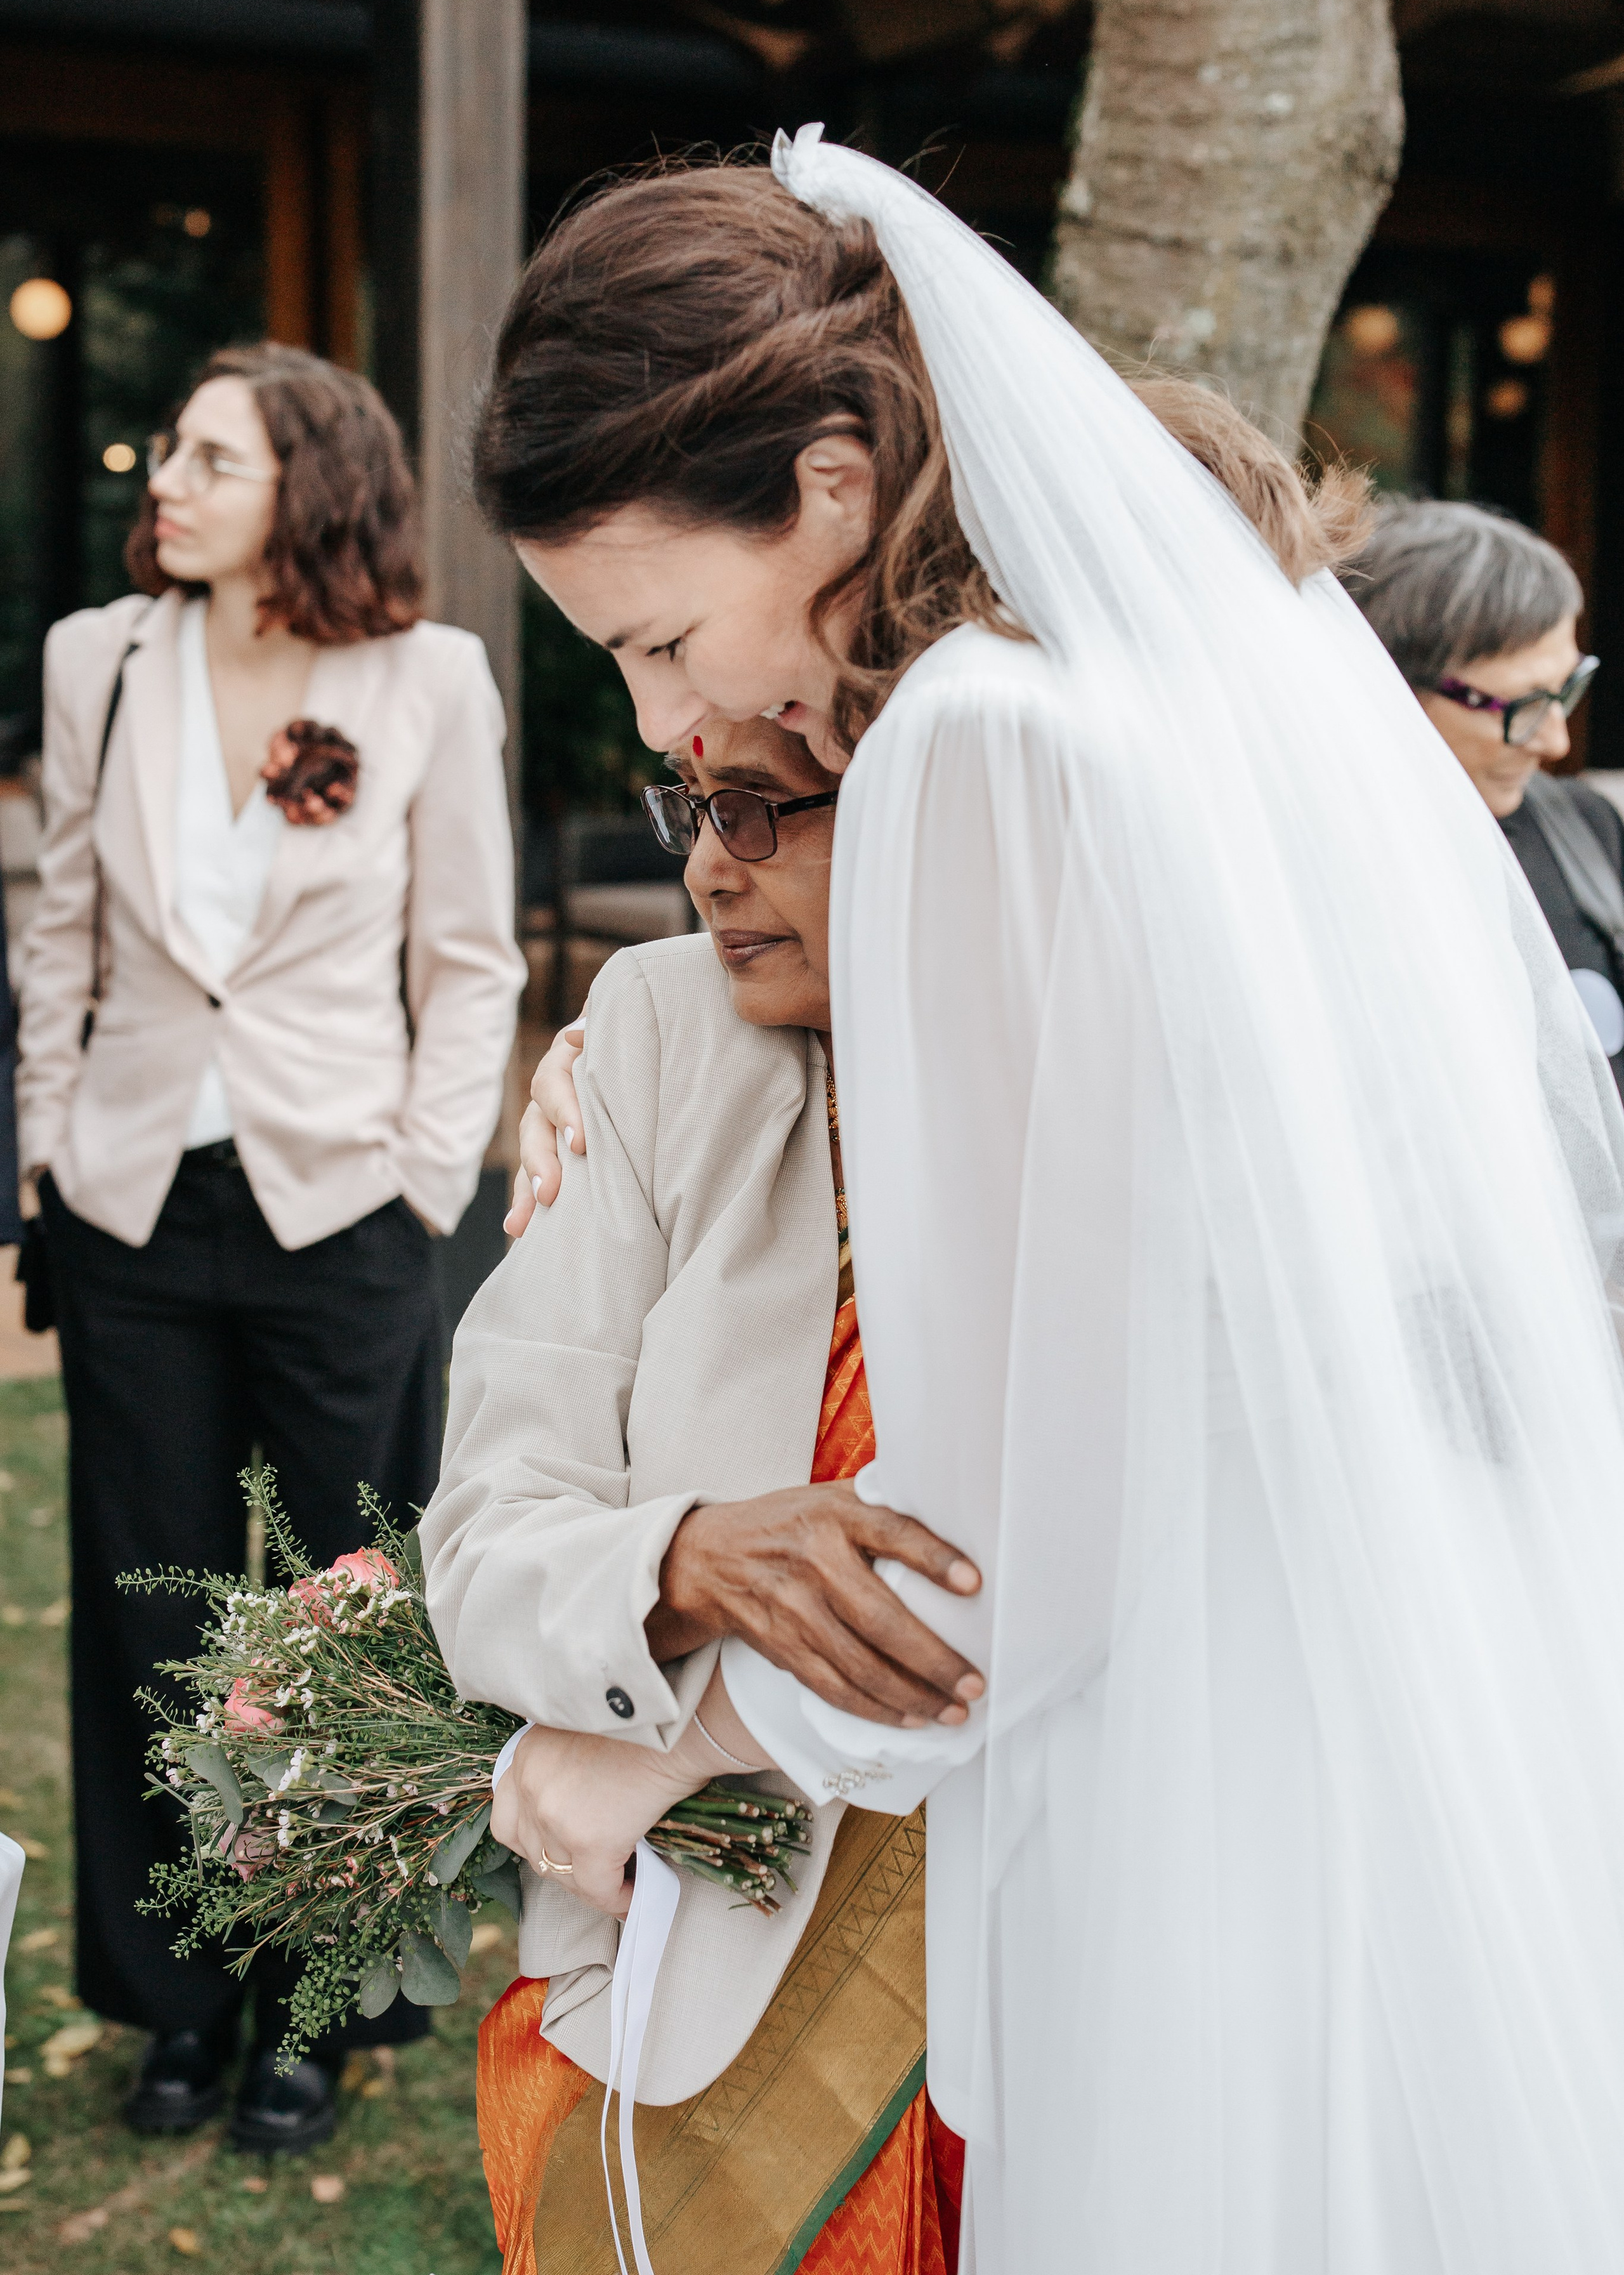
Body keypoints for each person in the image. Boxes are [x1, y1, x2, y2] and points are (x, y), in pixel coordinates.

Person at [466, 133, 1624, 2272]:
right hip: (1355, 1705)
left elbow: (1019, 1546)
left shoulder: (978, 745)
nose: (666, 714)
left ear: (830, 487)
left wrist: (671, 1754)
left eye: (661, 635)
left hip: (1186, 1773)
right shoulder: (1152, 693)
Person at [15, 344, 524, 2153]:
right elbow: (60, 927)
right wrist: (48, 1148)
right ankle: (175, 1996)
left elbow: (469, 955)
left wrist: (425, 1180)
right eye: (169, 450)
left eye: (209, 457)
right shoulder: (101, 657)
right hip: (133, 1203)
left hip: (344, 1210)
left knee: (345, 1615)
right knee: (150, 1610)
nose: (165, 477)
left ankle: (324, 1997)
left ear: (311, 483)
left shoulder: (426, 677)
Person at [426, 712, 995, 2271]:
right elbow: (488, 1528)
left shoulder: (1111, 1090)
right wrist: (680, 1565)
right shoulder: (657, 1030)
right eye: (691, 807)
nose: (703, 868)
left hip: (1059, 1950)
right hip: (693, 1957)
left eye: (759, 810)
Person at [1343, 499, 1624, 1088]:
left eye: (1567, 688)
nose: (1556, 742)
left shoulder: (1584, 827)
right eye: (1525, 705)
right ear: (1389, 685)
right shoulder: (1328, 875)